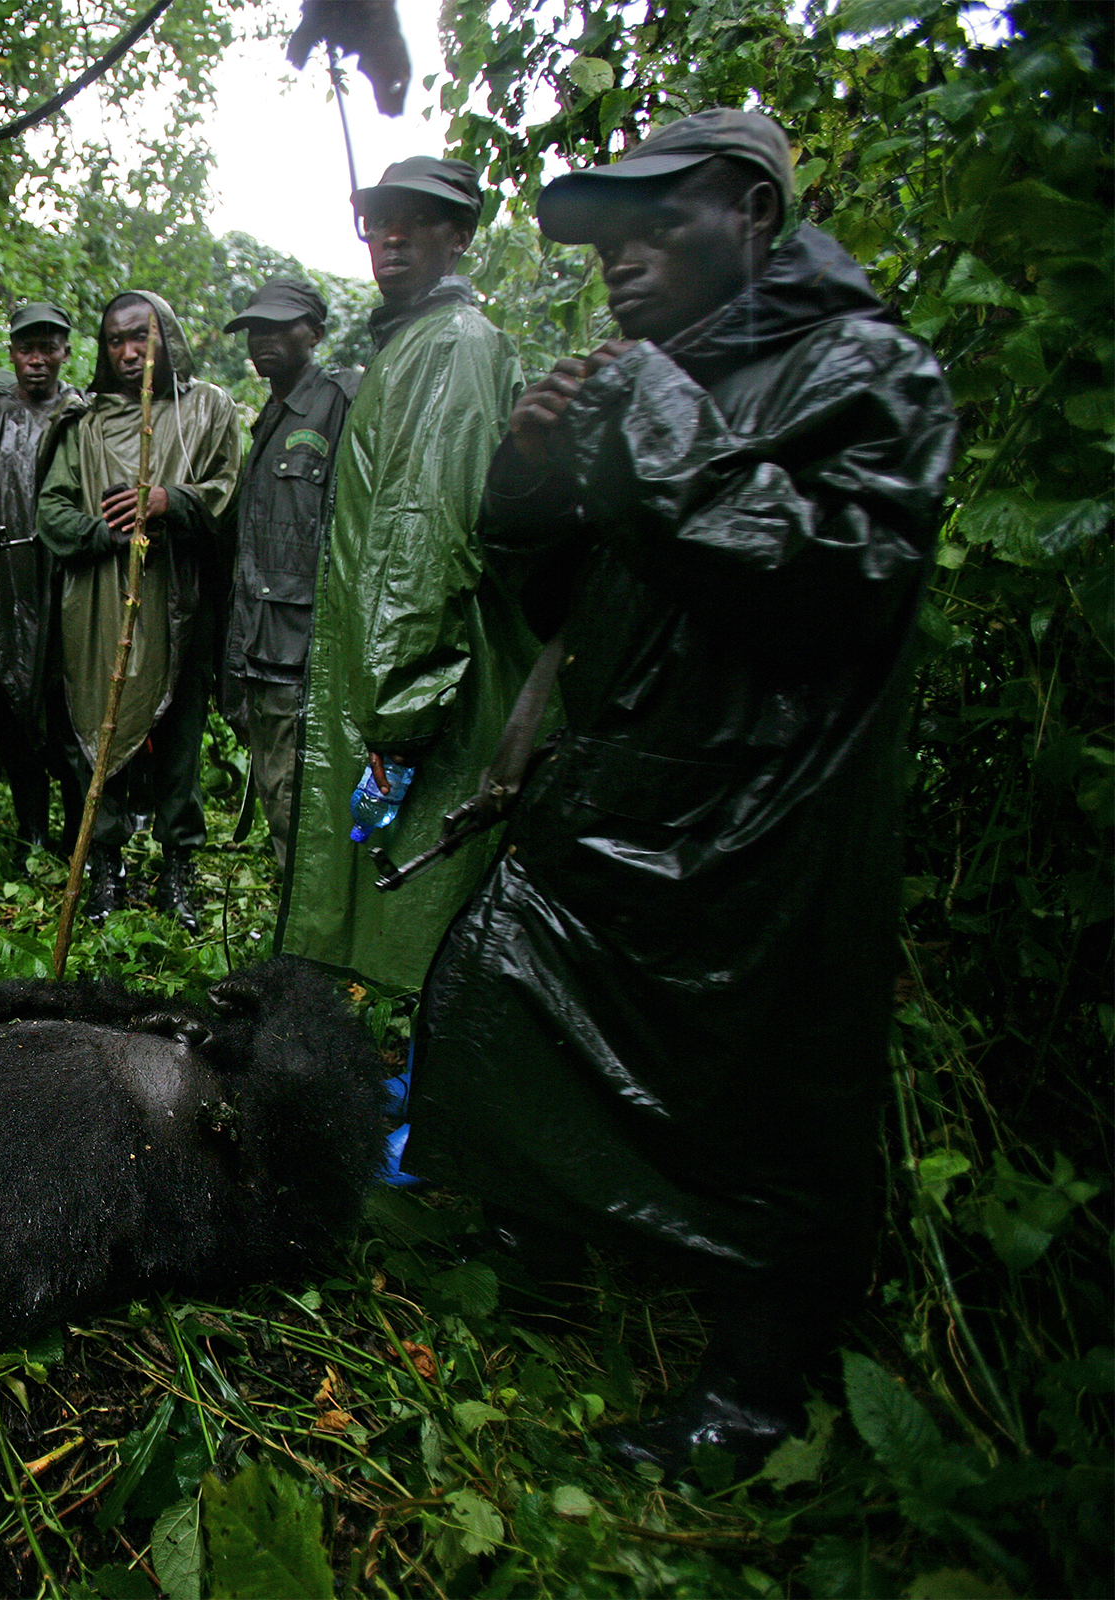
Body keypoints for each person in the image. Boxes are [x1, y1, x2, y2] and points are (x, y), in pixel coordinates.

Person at [408, 110, 956, 1467]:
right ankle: (540, 1240)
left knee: (766, 1094)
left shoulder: (866, 368)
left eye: (662, 226)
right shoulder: (646, 371)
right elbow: (563, 595)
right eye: (609, 240)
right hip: (621, 788)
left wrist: (649, 425)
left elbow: (834, 576)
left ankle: (755, 1391)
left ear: (754, 218)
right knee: (521, 995)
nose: (624, 263)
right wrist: (535, 472)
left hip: (767, 813)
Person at [274, 156, 529, 992]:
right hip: (386, 686)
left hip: (421, 698)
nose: (390, 235)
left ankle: (431, 1108)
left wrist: (398, 718)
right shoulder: (411, 343)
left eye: (417, 220)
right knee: (404, 911)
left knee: (437, 912)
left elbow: (423, 540)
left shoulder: (452, 346)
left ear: (458, 240)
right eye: (378, 218)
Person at [36, 291, 241, 930]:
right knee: (101, 732)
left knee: (178, 740)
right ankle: (106, 868)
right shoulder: (85, 425)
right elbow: (52, 511)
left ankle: (178, 868)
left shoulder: (208, 409)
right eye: (116, 341)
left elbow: (229, 496)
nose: (128, 353)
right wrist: (108, 534)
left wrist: (168, 501)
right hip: (98, 608)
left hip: (180, 605)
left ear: (167, 339)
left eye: (141, 338)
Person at [217, 276, 355, 869]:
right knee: (281, 791)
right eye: (254, 328)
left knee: (301, 800)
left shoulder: (342, 402)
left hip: (307, 649)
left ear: (316, 333)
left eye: (280, 326)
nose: (263, 339)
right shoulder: (270, 417)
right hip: (262, 643)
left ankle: (308, 949)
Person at [0, 301, 83, 862]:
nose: (37, 361)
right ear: (11, 354)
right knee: (11, 719)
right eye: (26, 349)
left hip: (70, 593)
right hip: (4, 593)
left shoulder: (86, 417)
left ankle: (81, 838)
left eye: (47, 348)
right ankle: (31, 832)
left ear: (64, 352)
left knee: (72, 723)